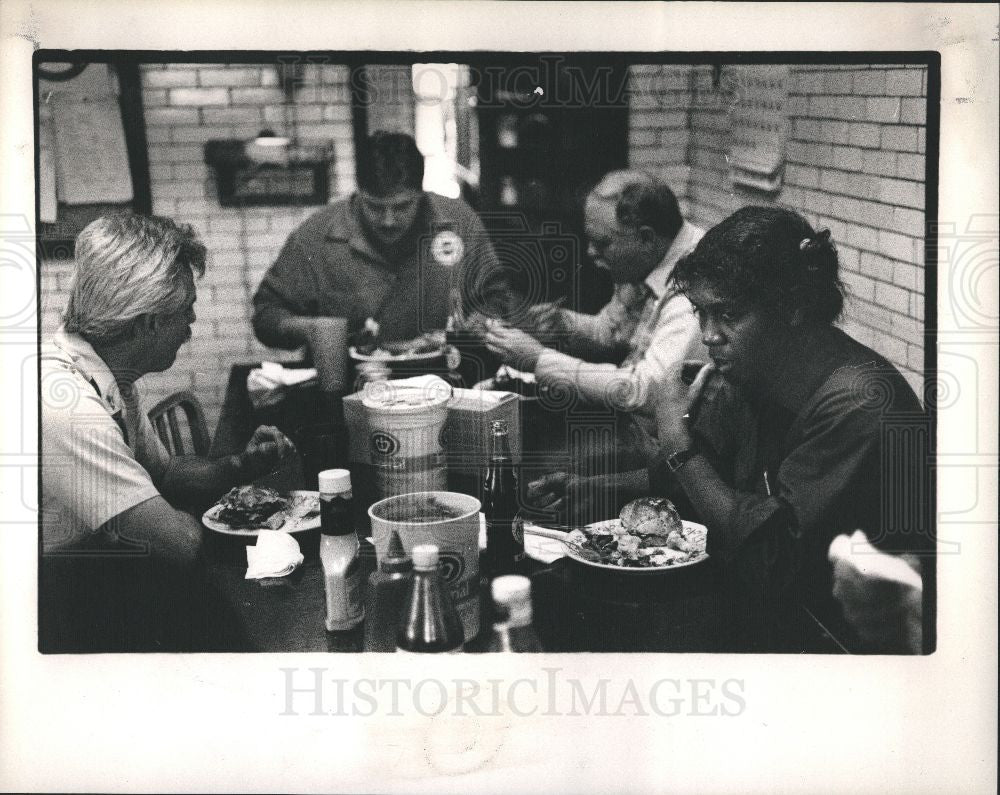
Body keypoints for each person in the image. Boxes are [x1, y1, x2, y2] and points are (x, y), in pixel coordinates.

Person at [650, 205, 934, 652]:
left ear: (793, 307)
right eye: (700, 312)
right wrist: (592, 487)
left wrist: (678, 447)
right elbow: (710, 477)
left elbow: (773, 561)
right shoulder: (757, 368)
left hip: (840, 648)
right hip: (774, 616)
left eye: (726, 314)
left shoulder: (859, 402)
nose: (708, 334)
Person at [40, 213, 295, 651]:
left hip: (93, 577)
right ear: (145, 321)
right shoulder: (63, 404)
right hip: (52, 604)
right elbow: (180, 544)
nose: (191, 329)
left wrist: (242, 465)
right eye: (185, 312)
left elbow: (168, 475)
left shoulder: (110, 376)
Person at [481, 174, 706, 485]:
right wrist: (564, 324)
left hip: (666, 455)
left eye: (602, 243)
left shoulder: (693, 286)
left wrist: (538, 359)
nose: (590, 252)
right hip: (632, 426)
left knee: (530, 463)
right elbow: (610, 329)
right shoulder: (646, 261)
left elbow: (646, 390)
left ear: (646, 238)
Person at [252, 131, 507, 359]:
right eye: (374, 206)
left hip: (443, 382)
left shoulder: (459, 223)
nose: (388, 221)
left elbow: (496, 294)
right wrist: (308, 329)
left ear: (421, 193)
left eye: (402, 207)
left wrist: (484, 319)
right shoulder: (316, 236)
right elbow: (266, 314)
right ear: (358, 192)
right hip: (348, 388)